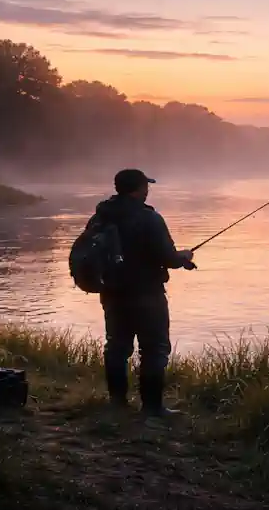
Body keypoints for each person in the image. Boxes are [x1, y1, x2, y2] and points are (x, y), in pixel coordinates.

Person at [87, 168, 196, 418]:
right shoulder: (149, 218)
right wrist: (184, 257)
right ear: (138, 189)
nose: (148, 190)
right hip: (147, 294)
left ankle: (117, 403)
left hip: (112, 292)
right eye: (146, 186)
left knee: (117, 347)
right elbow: (167, 257)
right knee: (154, 349)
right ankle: (152, 408)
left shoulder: (100, 216)